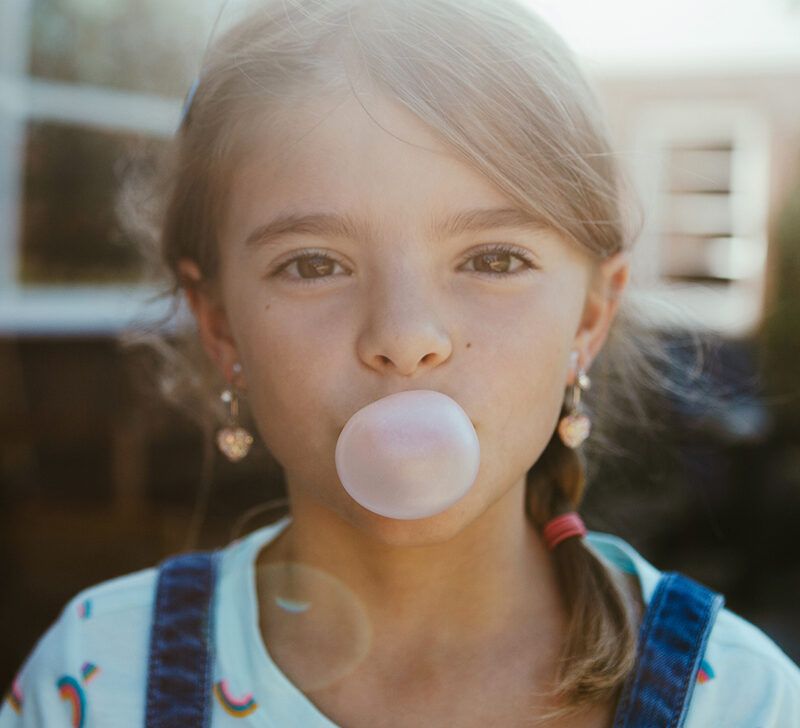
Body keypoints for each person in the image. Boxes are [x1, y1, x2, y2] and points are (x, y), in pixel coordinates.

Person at [3, 0, 799, 725]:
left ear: (590, 316)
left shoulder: (744, 701)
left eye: (492, 258)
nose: (405, 334)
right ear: (221, 326)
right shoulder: (94, 677)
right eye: (314, 264)